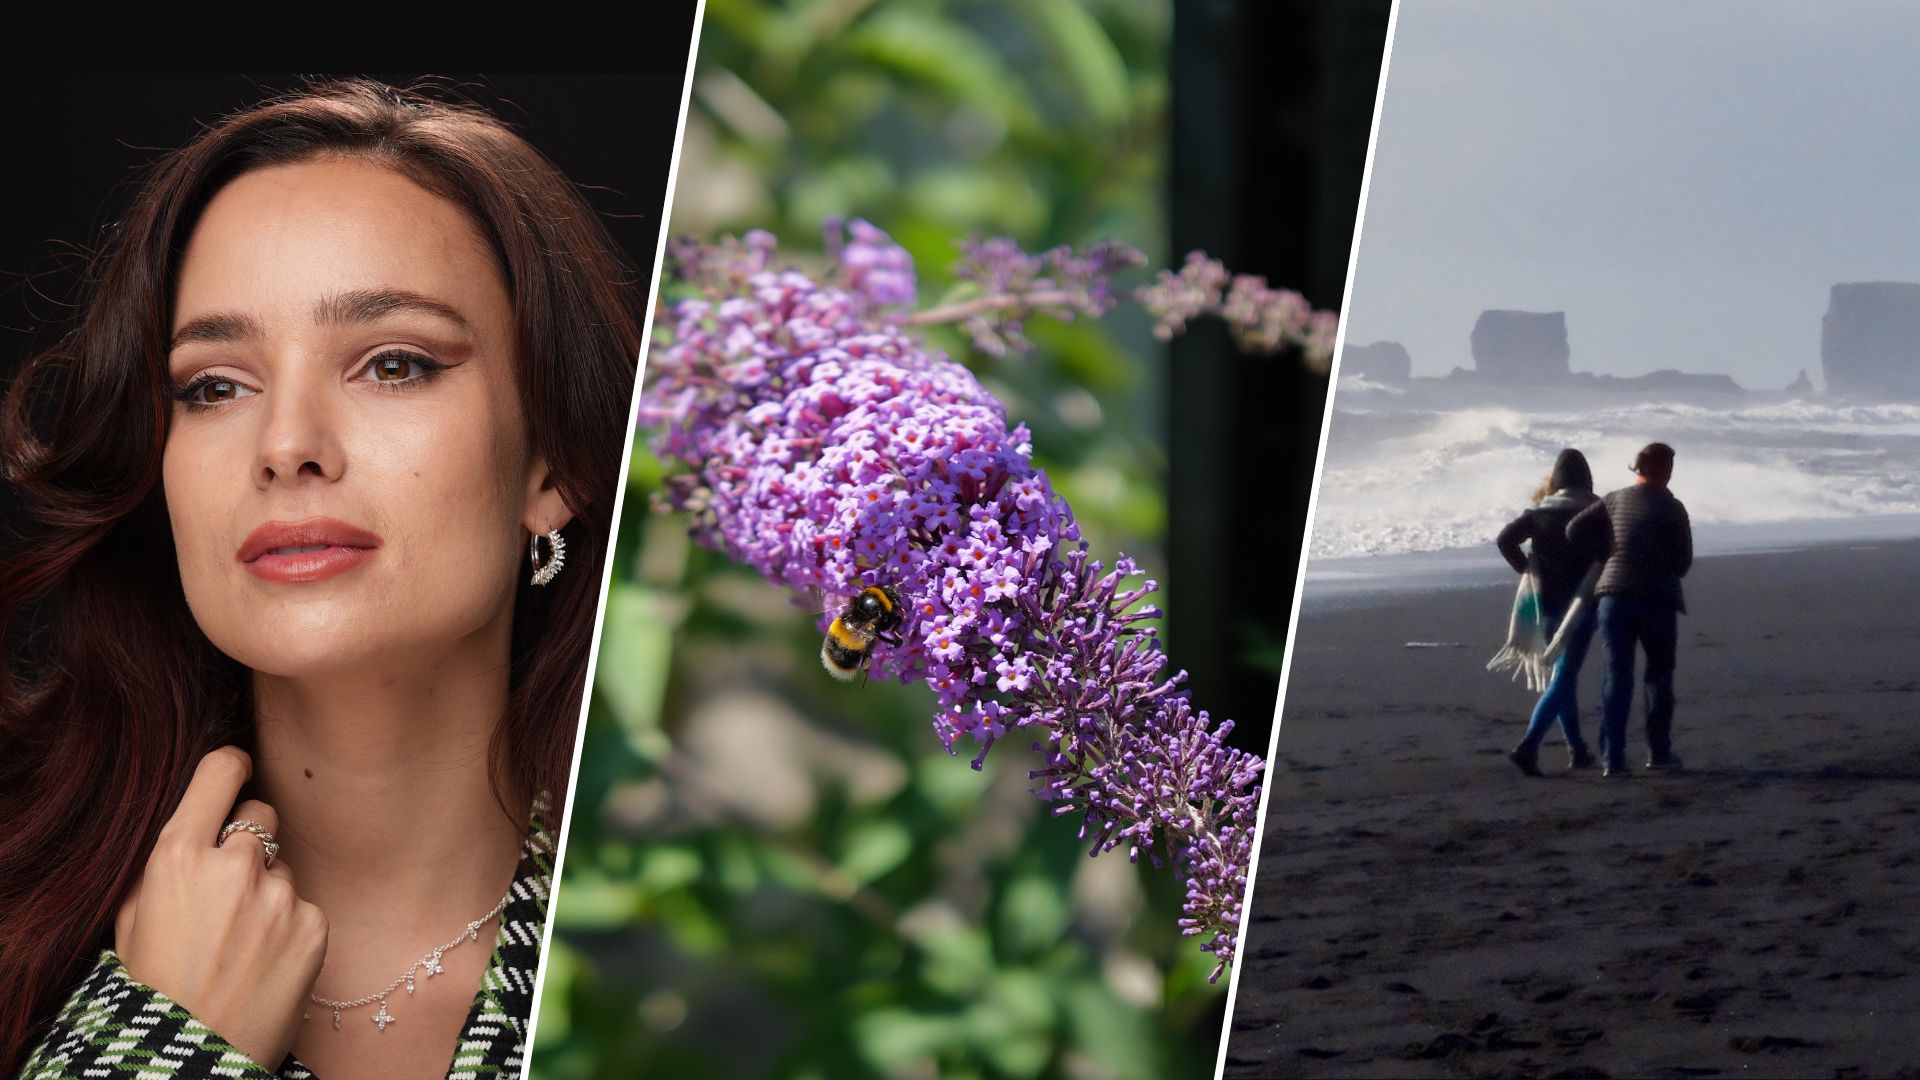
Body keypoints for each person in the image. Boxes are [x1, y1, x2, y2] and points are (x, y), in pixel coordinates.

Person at [0, 81, 643, 1078]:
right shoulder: (21, 911)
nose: (288, 445)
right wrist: (159, 1043)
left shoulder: (652, 946)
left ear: (550, 467)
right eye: (213, 386)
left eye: (393, 364)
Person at [1567, 442, 1693, 778]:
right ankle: (1658, 753)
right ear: (1664, 469)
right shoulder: (1672, 507)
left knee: (1617, 676)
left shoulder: (1613, 499)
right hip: (1657, 598)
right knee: (1657, 676)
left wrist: (1606, 555)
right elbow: (1683, 562)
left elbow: (1574, 530)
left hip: (1613, 596)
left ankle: (1614, 759)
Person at [1496, 448, 1602, 776]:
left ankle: (1578, 750)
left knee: (1562, 677)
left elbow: (1504, 540)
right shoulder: (1596, 512)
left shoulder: (1540, 513)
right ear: (1587, 479)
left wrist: (1526, 570)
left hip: (1547, 604)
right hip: (1583, 605)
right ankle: (1528, 746)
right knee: (1565, 678)